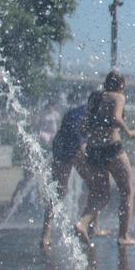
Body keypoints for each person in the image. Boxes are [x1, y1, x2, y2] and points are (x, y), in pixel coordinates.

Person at [77, 71, 135, 247]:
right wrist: (129, 132)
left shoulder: (95, 97)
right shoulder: (117, 97)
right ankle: (123, 236)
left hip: (93, 149)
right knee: (127, 191)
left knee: (100, 193)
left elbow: (83, 126)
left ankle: (82, 224)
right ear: (121, 84)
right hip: (112, 148)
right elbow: (115, 118)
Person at [39, 90, 95, 249]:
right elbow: (81, 146)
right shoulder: (86, 116)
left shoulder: (77, 111)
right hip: (70, 149)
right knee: (96, 186)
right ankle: (86, 226)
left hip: (60, 146)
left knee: (59, 192)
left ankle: (46, 235)